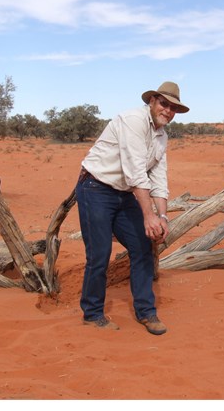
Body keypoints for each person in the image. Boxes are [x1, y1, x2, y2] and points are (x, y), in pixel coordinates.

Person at [76, 81, 190, 335]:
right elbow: (136, 171)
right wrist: (147, 216)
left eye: (173, 108)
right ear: (152, 102)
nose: (168, 111)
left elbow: (159, 178)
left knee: (142, 247)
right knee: (99, 253)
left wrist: (161, 217)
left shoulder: (161, 136)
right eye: (164, 104)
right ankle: (92, 313)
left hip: (125, 193)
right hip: (96, 188)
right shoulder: (132, 121)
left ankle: (146, 311)